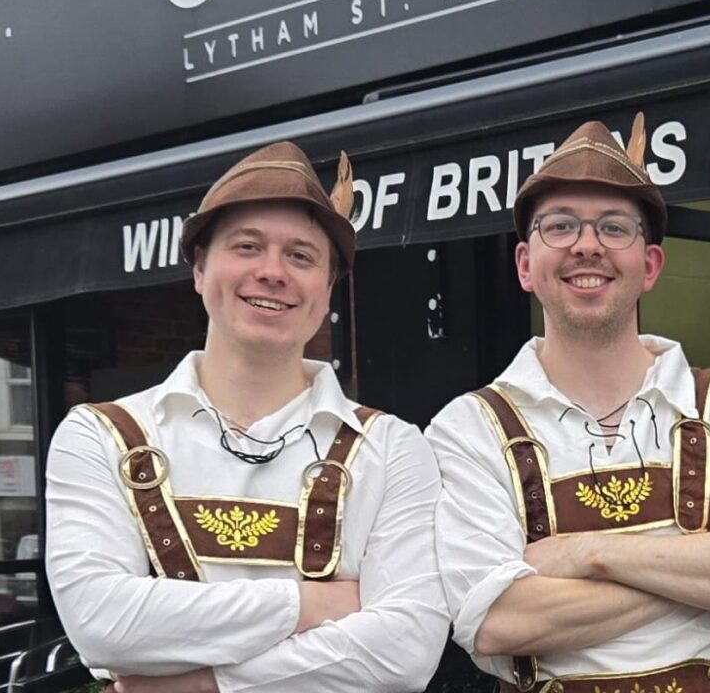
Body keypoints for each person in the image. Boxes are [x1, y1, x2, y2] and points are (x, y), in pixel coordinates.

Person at [426, 117, 710, 693]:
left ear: (650, 266)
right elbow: (497, 619)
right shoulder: (469, 428)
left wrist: (588, 552)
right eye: (560, 226)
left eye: (614, 228)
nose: (587, 245)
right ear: (524, 265)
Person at [46, 141, 449, 693]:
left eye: (301, 256)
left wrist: (198, 683)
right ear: (199, 268)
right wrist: (309, 602)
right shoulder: (99, 435)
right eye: (247, 246)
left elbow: (406, 652)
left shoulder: (394, 446)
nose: (273, 272)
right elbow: (102, 624)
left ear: (327, 288)